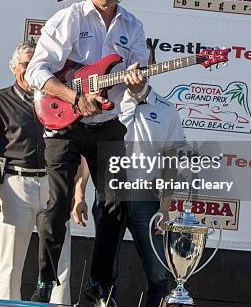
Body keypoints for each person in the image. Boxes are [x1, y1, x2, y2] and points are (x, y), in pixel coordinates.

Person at [25, 0, 149, 306]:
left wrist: (139, 83)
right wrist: (74, 98)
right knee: (59, 203)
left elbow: (137, 89)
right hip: (64, 124)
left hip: (108, 125)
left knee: (115, 204)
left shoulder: (133, 27)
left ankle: (98, 286)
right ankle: (45, 281)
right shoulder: (69, 17)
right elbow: (36, 72)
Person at [72, 41, 187, 307]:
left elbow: (171, 161)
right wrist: (79, 193)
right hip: (108, 198)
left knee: (159, 274)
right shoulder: (102, 105)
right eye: (132, 65)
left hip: (146, 203)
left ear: (153, 68)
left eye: (144, 65)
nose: (138, 71)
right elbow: (91, 152)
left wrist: (166, 206)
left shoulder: (167, 110)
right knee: (104, 277)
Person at [0, 41, 72, 304]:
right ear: (14, 67)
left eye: (35, 65)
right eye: (25, 64)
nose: (30, 70)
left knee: (60, 258)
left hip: (52, 182)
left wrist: (78, 189)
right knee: (11, 261)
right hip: (14, 182)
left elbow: (75, 146)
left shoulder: (59, 99)